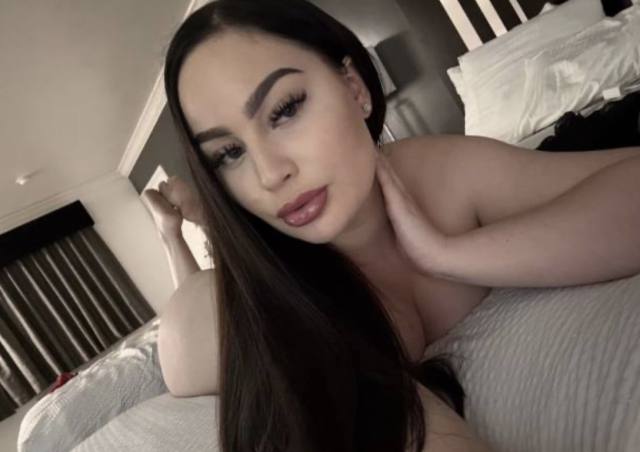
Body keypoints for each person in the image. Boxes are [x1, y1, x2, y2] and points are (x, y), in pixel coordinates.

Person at [147, 0, 640, 450]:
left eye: (285, 109)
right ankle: (184, 230)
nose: (270, 174)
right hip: (195, 320)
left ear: (355, 88)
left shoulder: (441, 174)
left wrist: (447, 254)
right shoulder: (255, 311)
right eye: (228, 154)